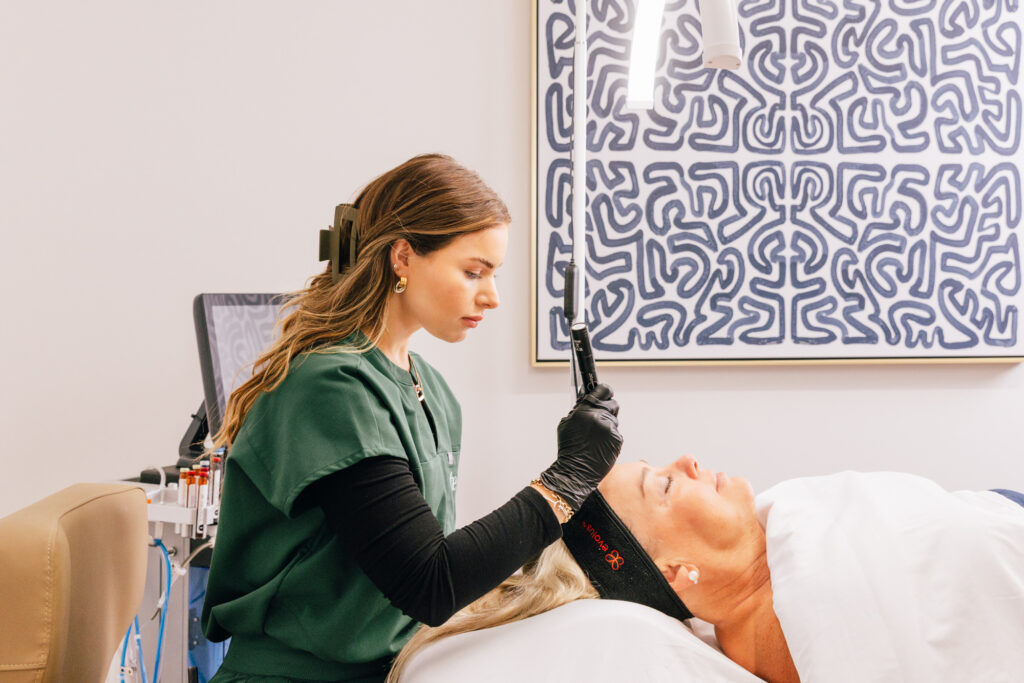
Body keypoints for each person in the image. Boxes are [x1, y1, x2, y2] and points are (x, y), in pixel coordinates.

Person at [200, 153, 623, 683]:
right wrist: (570, 477)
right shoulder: (331, 388)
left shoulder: (433, 390)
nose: (491, 297)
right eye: (474, 272)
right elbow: (429, 581)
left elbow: (431, 570)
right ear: (403, 257)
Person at [389, 456, 1024, 683]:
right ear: (677, 568)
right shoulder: (800, 615)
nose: (691, 461)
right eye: (664, 485)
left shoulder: (789, 537)